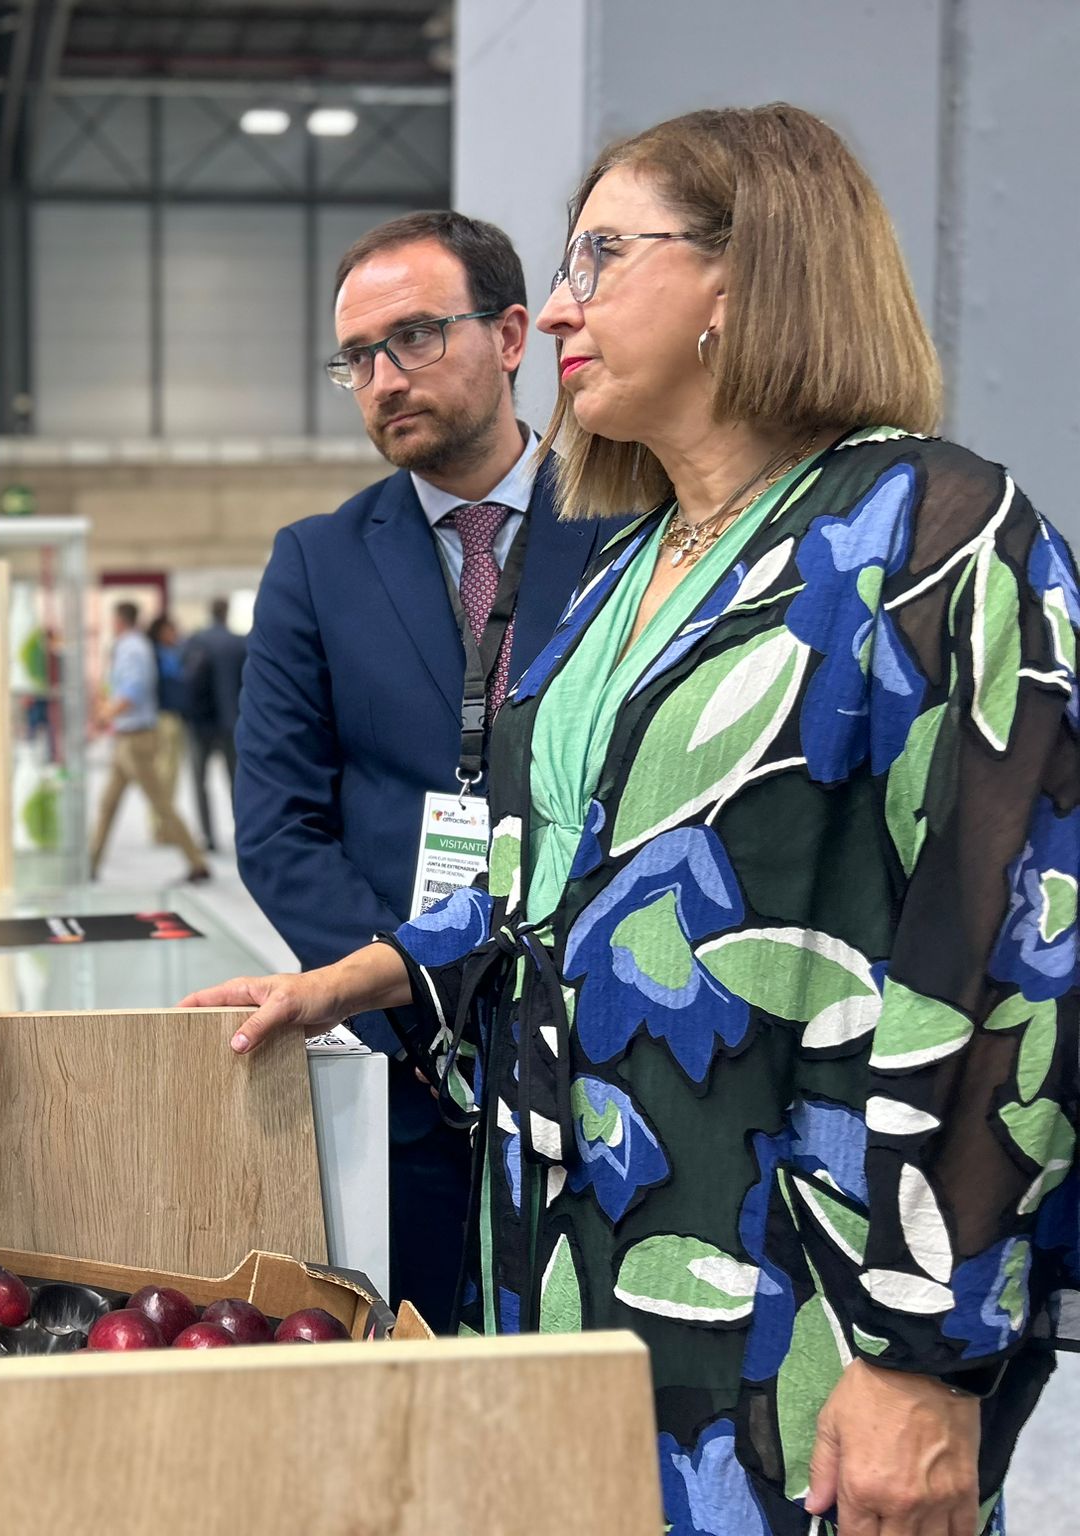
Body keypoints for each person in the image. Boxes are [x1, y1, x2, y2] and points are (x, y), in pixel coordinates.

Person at [190, 104, 1077, 1535]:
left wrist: (926, 1358)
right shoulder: (628, 572)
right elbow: (557, 870)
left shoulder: (936, 537)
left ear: (749, 274)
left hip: (799, 1294)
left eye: (603, 254)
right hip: (572, 1266)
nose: (556, 307)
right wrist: (379, 972)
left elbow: (1011, 962)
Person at [233, 209, 613, 1328]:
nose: (381, 380)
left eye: (412, 338)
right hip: (409, 1079)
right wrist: (413, 1005)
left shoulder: (635, 528)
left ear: (507, 336)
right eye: (355, 357)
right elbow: (277, 827)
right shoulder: (315, 563)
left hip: (593, 1061)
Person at [89, 600, 210, 882]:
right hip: (125, 739)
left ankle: (197, 862)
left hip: (137, 739)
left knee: (161, 804)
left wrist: (107, 713)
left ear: (119, 620)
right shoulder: (130, 646)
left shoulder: (133, 647)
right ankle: (90, 863)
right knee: (108, 803)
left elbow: (133, 688)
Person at [182, 598, 248, 853]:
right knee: (235, 781)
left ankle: (208, 837)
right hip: (232, 721)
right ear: (227, 613)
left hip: (200, 724)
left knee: (200, 782)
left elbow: (183, 678)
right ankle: (242, 832)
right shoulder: (238, 643)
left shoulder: (196, 641)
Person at [147, 613, 189, 845]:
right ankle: (160, 826)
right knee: (164, 775)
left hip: (173, 716)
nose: (175, 635)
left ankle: (163, 825)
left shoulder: (172, 653)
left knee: (170, 776)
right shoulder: (156, 655)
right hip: (164, 718)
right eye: (171, 630)